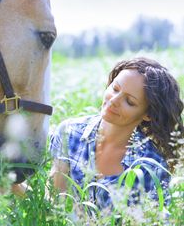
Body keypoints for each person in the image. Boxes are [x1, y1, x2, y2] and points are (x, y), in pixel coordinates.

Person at [49, 57, 184, 210]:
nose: (114, 100)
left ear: (147, 114)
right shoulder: (69, 133)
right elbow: (53, 205)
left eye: (130, 101)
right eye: (115, 89)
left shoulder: (150, 166)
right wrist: (16, 183)